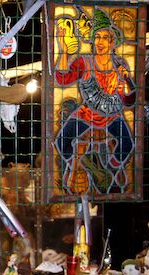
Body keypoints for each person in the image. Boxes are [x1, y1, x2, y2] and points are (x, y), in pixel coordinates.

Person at [55, 8, 136, 192]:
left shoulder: (119, 65)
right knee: (62, 141)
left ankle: (109, 169)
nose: (99, 42)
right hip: (87, 114)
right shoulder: (84, 62)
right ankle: (82, 165)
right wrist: (64, 51)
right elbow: (62, 79)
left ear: (112, 41)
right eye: (96, 37)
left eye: (104, 37)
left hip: (112, 115)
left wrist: (127, 84)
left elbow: (129, 101)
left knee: (127, 143)